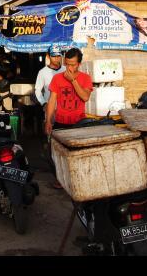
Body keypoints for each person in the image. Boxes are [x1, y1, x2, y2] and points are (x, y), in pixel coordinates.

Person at [44, 47, 93, 188]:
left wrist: (73, 81)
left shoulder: (85, 78)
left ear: (79, 64)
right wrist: (48, 120)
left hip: (79, 123)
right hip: (60, 122)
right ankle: (61, 180)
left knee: (78, 154)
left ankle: (79, 180)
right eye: (67, 64)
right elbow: (52, 101)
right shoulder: (57, 78)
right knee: (57, 154)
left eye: (73, 64)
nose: (69, 67)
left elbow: (85, 97)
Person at [34, 45, 65, 112]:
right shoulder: (42, 72)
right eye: (54, 56)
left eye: (58, 56)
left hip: (65, 108)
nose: (56, 58)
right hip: (50, 108)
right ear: (48, 56)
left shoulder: (65, 70)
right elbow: (37, 90)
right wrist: (44, 103)